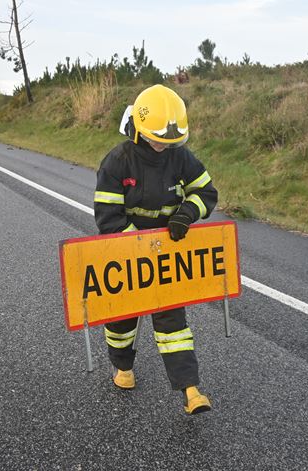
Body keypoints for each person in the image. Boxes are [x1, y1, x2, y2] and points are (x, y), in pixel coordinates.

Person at [93, 84, 218, 415]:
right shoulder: (117, 162)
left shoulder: (180, 158)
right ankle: (122, 366)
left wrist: (186, 214)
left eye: (171, 141)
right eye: (159, 139)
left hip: (166, 257)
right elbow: (107, 216)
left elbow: (206, 193)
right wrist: (139, 244)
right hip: (126, 253)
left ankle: (191, 390)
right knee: (121, 321)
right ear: (141, 129)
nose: (164, 146)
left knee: (174, 324)